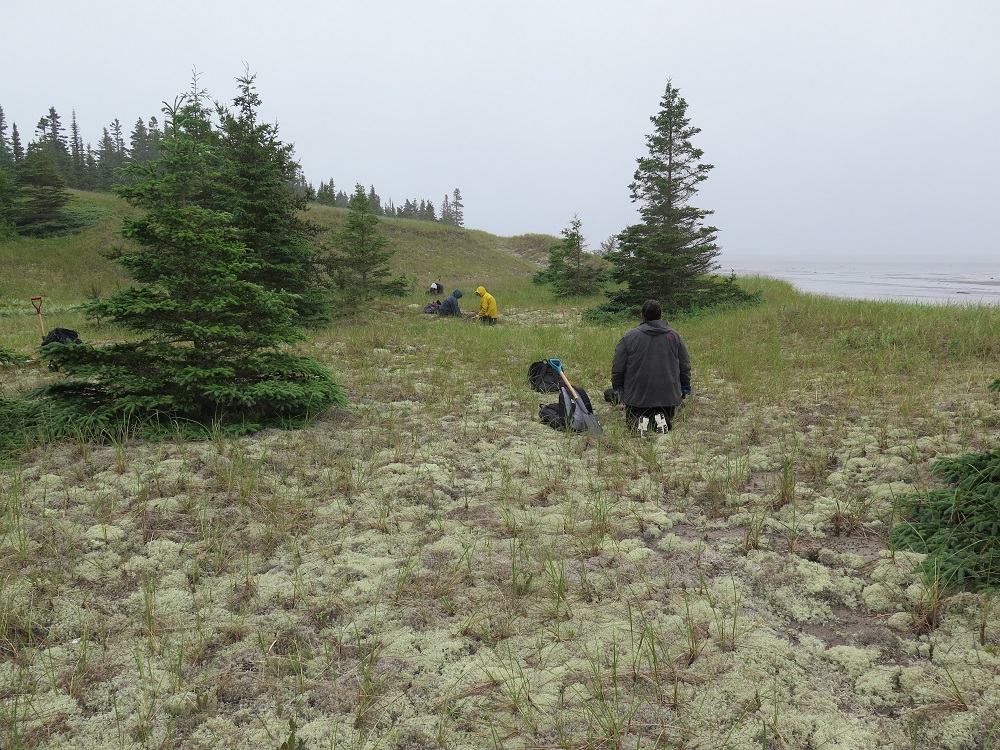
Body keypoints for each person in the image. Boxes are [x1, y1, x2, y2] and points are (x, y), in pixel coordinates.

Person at [611, 299, 691, 437]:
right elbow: (685, 366)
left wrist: (618, 387)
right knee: (664, 410)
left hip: (637, 395)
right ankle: (661, 418)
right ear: (661, 315)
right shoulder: (674, 336)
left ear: (642, 315)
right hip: (668, 395)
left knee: (635, 412)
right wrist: (685, 386)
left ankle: (639, 422)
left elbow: (618, 367)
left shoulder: (629, 337)